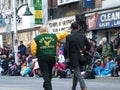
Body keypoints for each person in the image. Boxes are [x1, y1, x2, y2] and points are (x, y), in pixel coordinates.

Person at [30, 25, 68, 90]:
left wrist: (36, 54)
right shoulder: (54, 36)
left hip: (42, 58)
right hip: (51, 57)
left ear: (40, 31)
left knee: (45, 74)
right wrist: (67, 31)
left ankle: (48, 87)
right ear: (47, 30)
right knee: (49, 72)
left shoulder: (36, 38)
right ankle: (46, 85)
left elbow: (33, 50)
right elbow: (62, 35)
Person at [64, 22, 91, 90]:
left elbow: (66, 48)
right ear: (78, 28)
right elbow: (89, 46)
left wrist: (66, 57)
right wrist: (84, 50)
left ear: (71, 28)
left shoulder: (69, 36)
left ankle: (83, 86)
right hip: (81, 55)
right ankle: (73, 88)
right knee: (76, 72)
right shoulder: (82, 35)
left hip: (73, 57)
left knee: (77, 71)